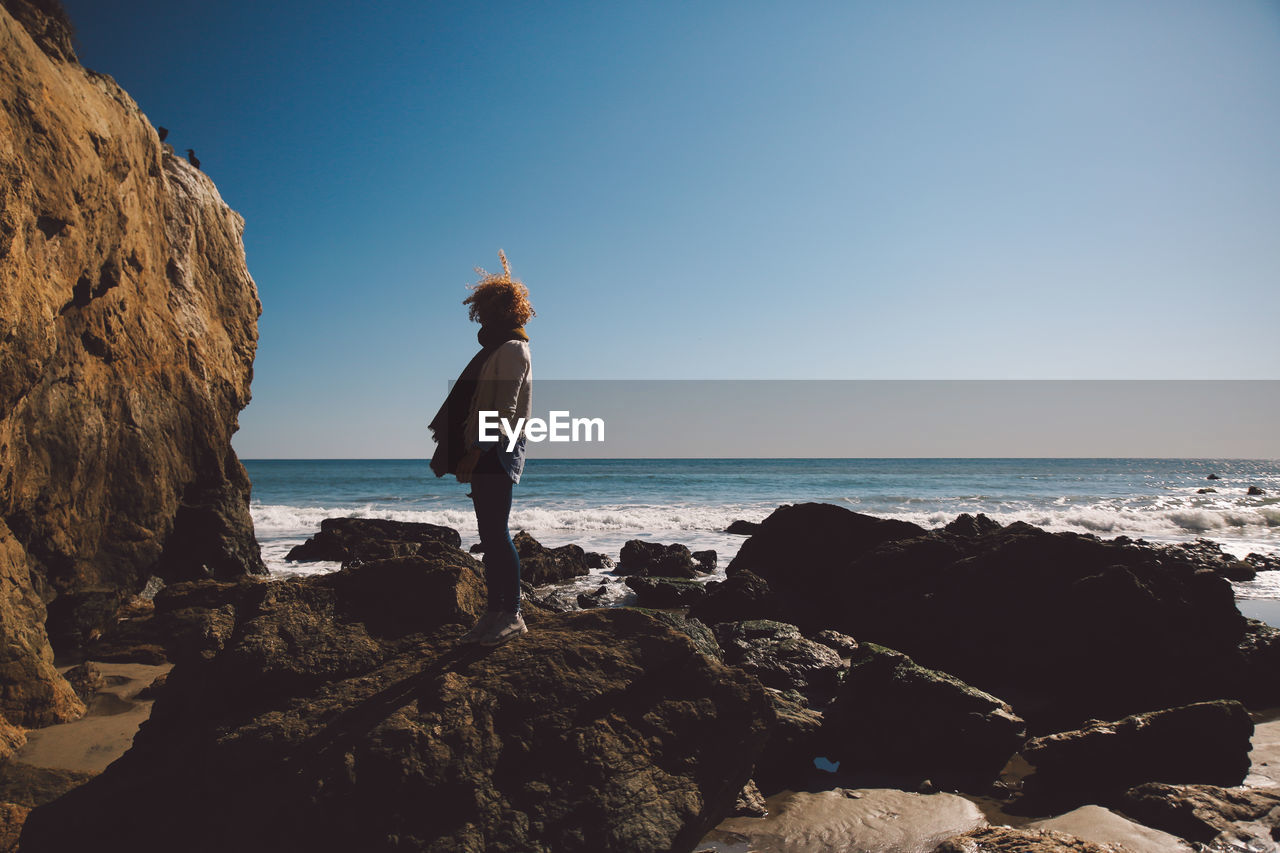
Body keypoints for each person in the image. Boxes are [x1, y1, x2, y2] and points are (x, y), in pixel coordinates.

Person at [428, 251, 533, 647]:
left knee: (496, 534)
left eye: (487, 309)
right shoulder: (497, 348)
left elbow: (504, 410)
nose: (482, 317)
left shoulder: (512, 349)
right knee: (489, 534)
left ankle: (512, 615)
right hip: (488, 446)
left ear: (504, 309)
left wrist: (476, 450)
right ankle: (495, 614)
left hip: (498, 448)